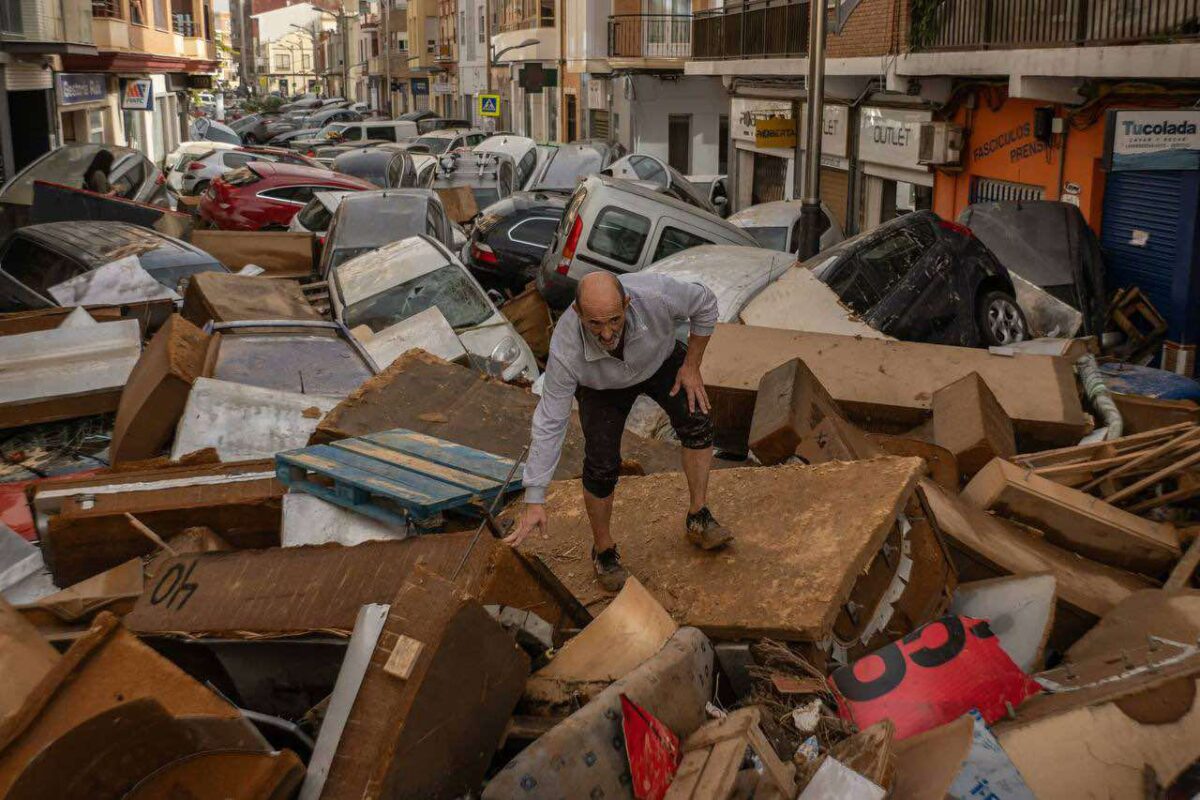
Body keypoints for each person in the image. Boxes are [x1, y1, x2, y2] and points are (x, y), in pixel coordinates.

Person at [504, 270, 733, 591]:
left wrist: (692, 365)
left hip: (660, 361)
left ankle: (699, 515)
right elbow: (550, 420)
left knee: (698, 422)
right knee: (601, 464)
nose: (608, 333)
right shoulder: (565, 349)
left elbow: (706, 303)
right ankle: (604, 551)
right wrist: (535, 496)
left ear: (627, 303)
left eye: (614, 319)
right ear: (577, 313)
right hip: (601, 387)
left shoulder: (657, 296)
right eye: (594, 324)